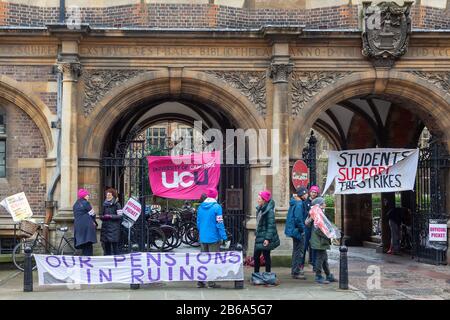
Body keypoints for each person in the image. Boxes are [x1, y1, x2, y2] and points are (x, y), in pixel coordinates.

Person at [196, 188, 227, 288]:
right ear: (216, 196)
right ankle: (211, 283)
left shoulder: (200, 207)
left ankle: (200, 281)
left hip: (203, 237)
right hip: (213, 238)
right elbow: (220, 223)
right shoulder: (217, 207)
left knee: (203, 260)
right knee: (213, 260)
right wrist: (224, 237)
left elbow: (198, 223)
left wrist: (202, 233)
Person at [306, 197, 336, 284]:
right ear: (319, 205)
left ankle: (328, 275)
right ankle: (318, 276)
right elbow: (318, 229)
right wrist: (329, 235)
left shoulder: (317, 213)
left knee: (324, 258)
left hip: (319, 240)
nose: (325, 204)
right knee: (320, 258)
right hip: (319, 240)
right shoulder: (317, 214)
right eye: (323, 203)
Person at [254, 190, 280, 276]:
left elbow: (271, 225)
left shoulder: (269, 211)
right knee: (256, 256)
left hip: (265, 237)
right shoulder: (260, 209)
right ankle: (256, 274)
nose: (257, 200)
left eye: (259, 199)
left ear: (264, 200)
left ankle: (268, 274)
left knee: (266, 256)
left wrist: (267, 239)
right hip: (259, 235)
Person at [284, 187, 308, 279]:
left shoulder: (294, 202)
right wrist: (302, 229)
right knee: (299, 251)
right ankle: (296, 272)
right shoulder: (299, 203)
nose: (307, 195)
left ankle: (295, 270)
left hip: (294, 230)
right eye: (306, 193)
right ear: (302, 194)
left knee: (296, 251)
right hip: (298, 231)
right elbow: (298, 219)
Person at [73, 189, 97, 256]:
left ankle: (84, 261)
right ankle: (89, 260)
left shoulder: (75, 204)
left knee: (83, 245)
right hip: (87, 227)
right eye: (87, 195)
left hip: (78, 227)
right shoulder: (86, 203)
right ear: (83, 196)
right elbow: (93, 214)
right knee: (88, 245)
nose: (88, 196)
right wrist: (93, 221)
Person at [100, 188, 123, 256]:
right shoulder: (104, 204)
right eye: (107, 195)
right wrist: (102, 217)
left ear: (113, 196)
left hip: (114, 229)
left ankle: (116, 262)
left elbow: (120, 216)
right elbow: (101, 214)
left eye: (109, 195)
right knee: (107, 248)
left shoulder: (117, 204)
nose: (108, 196)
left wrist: (110, 216)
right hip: (105, 229)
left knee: (115, 248)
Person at [303, 185, 320, 269]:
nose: (314, 194)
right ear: (310, 192)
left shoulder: (318, 202)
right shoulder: (305, 201)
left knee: (314, 245)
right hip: (307, 226)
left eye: (315, 192)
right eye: (313, 192)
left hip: (315, 226)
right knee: (304, 244)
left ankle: (314, 263)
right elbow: (304, 213)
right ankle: (301, 264)